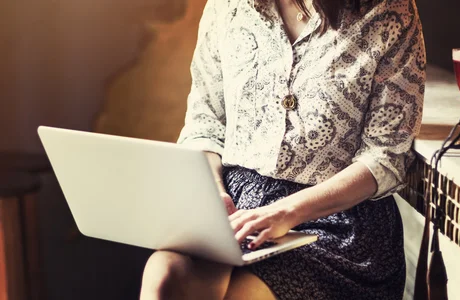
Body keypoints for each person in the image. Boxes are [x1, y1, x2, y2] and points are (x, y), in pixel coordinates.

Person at [139, 0, 426, 299]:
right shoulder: (227, 6)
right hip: (235, 207)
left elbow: (386, 156)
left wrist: (285, 212)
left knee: (240, 295)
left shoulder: (390, 11)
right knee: (164, 276)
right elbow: (205, 124)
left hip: (338, 223)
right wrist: (211, 193)